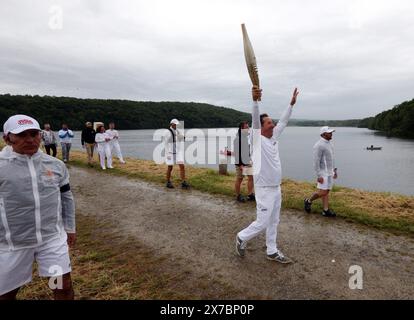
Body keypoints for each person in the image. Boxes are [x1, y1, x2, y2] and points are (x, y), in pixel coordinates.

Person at [0, 115, 76, 300]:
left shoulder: (55, 165)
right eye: (22, 134)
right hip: (12, 243)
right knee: (6, 295)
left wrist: (70, 227)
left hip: (51, 239)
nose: (30, 139)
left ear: (40, 135)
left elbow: (66, 197)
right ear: (7, 138)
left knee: (62, 288)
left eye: (34, 133)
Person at [236, 86, 299, 264]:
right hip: (263, 189)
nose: (273, 124)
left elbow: (284, 122)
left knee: (274, 221)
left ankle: (271, 250)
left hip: (276, 187)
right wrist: (255, 101)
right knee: (263, 222)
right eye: (270, 123)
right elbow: (255, 120)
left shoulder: (273, 137)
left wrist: (291, 105)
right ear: (262, 128)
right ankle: (241, 237)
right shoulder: (256, 140)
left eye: (272, 122)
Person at [304, 126, 338, 217]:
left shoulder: (330, 144)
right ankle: (308, 201)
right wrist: (319, 175)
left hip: (330, 172)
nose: (331, 134)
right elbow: (316, 162)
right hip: (323, 173)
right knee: (323, 192)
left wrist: (334, 170)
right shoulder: (318, 145)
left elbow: (332, 158)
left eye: (331, 132)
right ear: (323, 134)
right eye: (329, 132)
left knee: (326, 191)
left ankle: (325, 210)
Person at [164, 119, 190, 189]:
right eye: (175, 124)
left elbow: (181, 139)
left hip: (177, 152)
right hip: (170, 153)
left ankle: (183, 182)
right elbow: (166, 142)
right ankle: (168, 182)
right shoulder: (167, 132)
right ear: (171, 124)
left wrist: (182, 137)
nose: (176, 125)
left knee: (182, 166)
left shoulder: (177, 131)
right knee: (170, 167)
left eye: (177, 124)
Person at [234, 121, 255, 202]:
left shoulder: (246, 137)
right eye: (246, 127)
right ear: (241, 128)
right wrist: (240, 165)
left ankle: (250, 195)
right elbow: (237, 153)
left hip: (247, 161)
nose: (248, 128)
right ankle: (238, 195)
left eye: (248, 126)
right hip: (240, 163)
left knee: (251, 177)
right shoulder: (238, 139)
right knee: (239, 179)